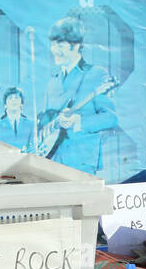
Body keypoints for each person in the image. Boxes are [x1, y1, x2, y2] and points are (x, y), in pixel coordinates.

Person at [39, 17, 117, 174]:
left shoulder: (96, 74)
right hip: (52, 160)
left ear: (76, 46)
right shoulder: (52, 82)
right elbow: (47, 121)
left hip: (81, 162)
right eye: (52, 44)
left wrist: (78, 121)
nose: (54, 49)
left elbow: (110, 118)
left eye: (59, 45)